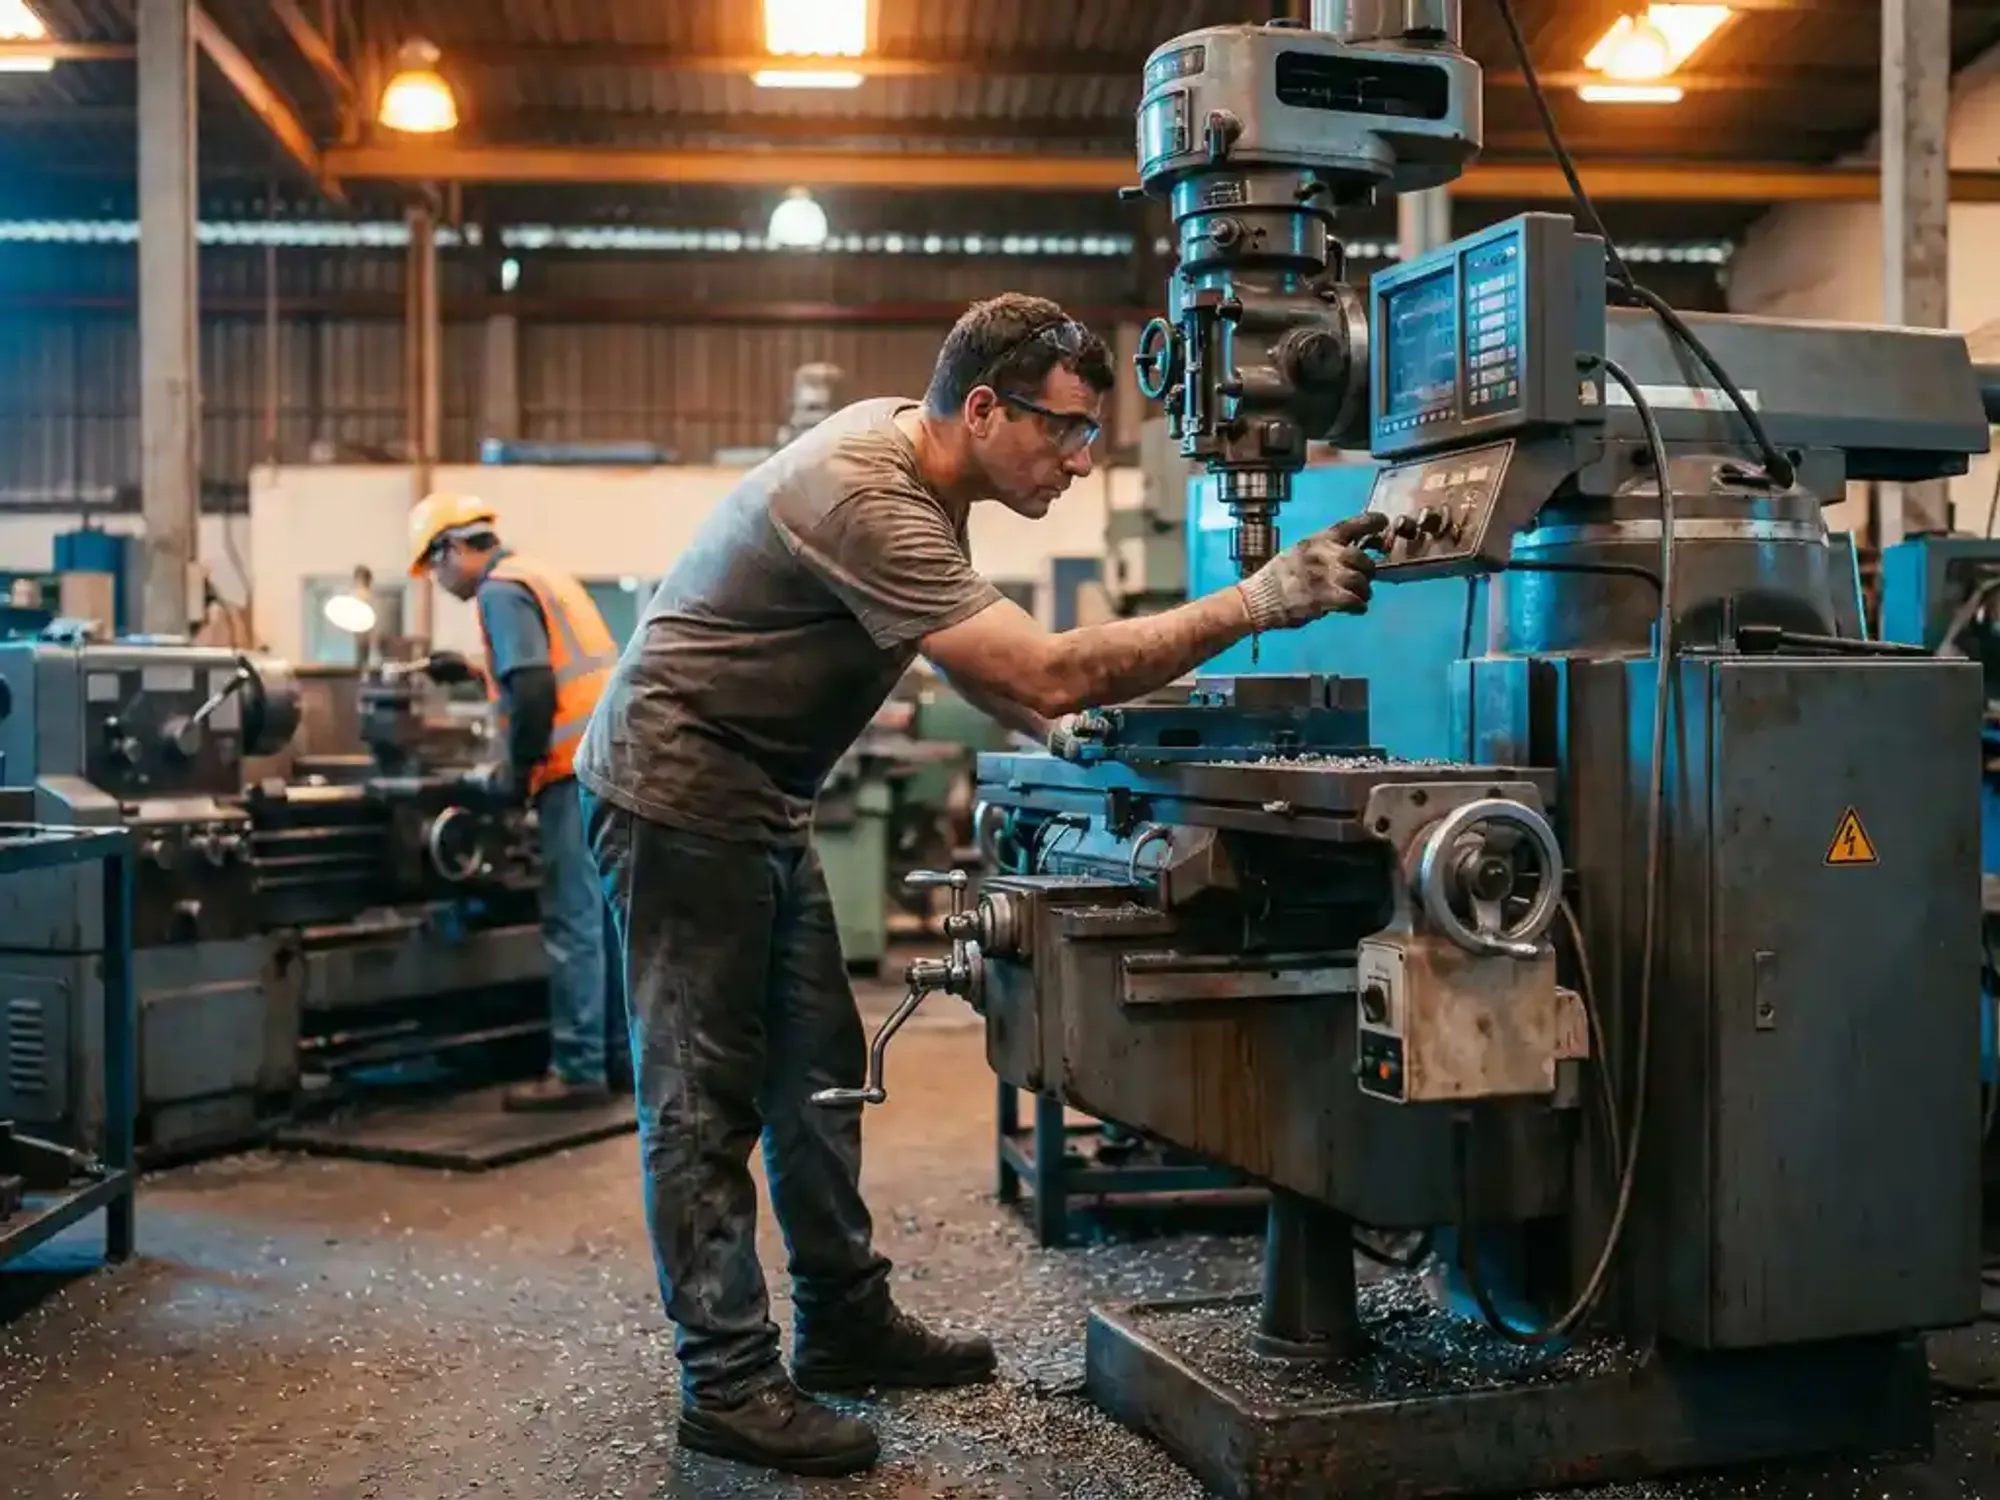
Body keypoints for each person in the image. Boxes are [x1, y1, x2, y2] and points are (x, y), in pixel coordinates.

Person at [574, 293, 1385, 1478]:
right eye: (1062, 430)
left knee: (819, 1072)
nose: (1080, 455)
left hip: (760, 797)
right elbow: (1041, 667)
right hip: (676, 797)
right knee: (703, 1096)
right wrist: (1261, 599)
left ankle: (842, 1322)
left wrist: (1057, 735)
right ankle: (728, 1383)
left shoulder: (923, 464)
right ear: (986, 407)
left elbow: (960, 652)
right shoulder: (868, 493)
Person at [407, 493, 621, 1113]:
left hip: (568, 772)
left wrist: (512, 777)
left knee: (571, 922)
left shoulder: (500, 591)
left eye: (434, 565)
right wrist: (474, 672)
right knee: (603, 922)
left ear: (453, 549)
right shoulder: (538, 575)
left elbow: (531, 691)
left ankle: (577, 1068)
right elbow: (552, 666)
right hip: (607, 762)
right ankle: (613, 1058)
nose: (440, 581)